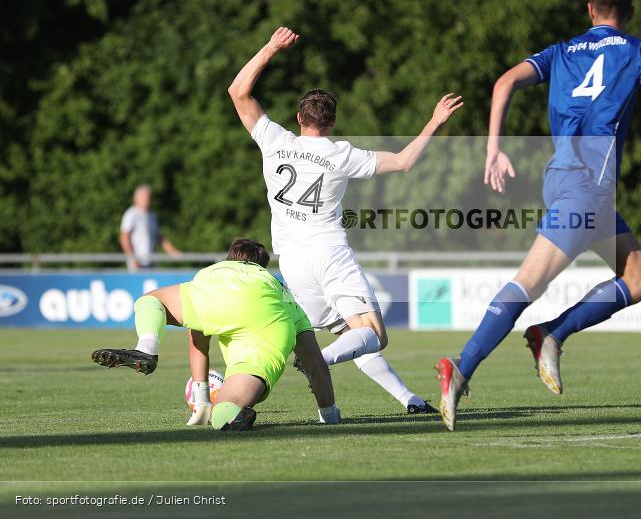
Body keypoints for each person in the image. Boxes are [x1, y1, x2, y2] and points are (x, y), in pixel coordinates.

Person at [435, 0, 641, 430]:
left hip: (563, 178)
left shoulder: (561, 51)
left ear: (589, 9)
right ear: (630, 11)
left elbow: (503, 83)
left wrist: (493, 147)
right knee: (530, 281)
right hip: (588, 186)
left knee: (639, 277)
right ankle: (463, 365)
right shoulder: (636, 49)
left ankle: (551, 333)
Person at [228, 27, 463, 415]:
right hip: (329, 254)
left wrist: (271, 47)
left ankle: (409, 400)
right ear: (333, 122)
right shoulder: (341, 154)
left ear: (299, 117)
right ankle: (316, 360)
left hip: (293, 263)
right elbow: (404, 161)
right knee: (373, 334)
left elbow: (238, 91)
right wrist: (435, 121)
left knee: (352, 334)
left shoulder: (276, 141)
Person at [91, 238, 338, 430]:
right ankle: (233, 413)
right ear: (262, 266)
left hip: (216, 299)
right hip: (267, 325)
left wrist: (201, 402)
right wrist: (330, 416)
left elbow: (198, 343)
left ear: (230, 258)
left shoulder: (214, 272)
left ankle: (146, 348)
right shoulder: (280, 289)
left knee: (150, 300)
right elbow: (316, 366)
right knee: (224, 413)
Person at [119, 184, 181, 270]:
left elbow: (159, 237)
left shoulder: (152, 216)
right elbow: (124, 238)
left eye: (149, 198)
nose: (148, 201)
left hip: (151, 262)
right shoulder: (131, 214)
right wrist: (132, 258)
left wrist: (172, 251)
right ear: (137, 198)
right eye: (145, 198)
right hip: (137, 263)